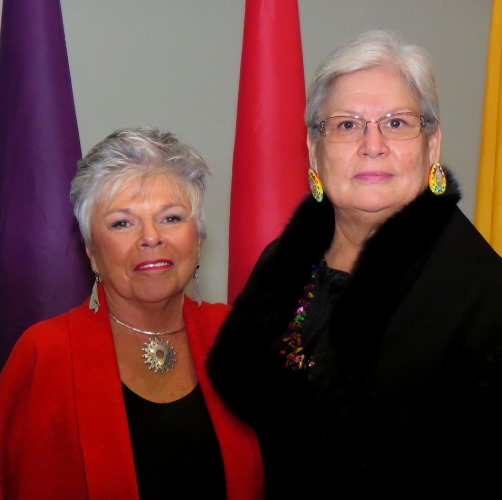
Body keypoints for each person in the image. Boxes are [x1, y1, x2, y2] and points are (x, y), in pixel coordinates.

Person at [207, 30, 502, 499]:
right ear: (313, 149)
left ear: (433, 145)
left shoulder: (483, 295)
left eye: (397, 123)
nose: (372, 144)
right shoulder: (280, 262)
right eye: (347, 125)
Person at [0, 127, 263, 499]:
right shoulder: (46, 353)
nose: (151, 237)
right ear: (92, 252)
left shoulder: (239, 338)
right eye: (122, 223)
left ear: (198, 239)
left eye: (171, 218)